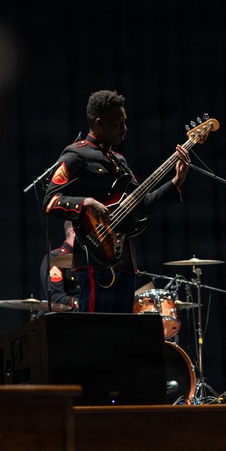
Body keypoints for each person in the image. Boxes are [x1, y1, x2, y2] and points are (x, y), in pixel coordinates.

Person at [43, 89, 190, 313]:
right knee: (95, 330)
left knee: (121, 332)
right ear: (99, 123)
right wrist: (86, 203)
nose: (124, 128)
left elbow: (142, 204)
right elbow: (50, 201)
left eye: (125, 122)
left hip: (124, 260)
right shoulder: (76, 155)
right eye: (118, 122)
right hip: (93, 258)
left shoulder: (119, 161)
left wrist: (176, 182)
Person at [40, 220, 79, 311]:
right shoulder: (55, 258)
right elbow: (56, 298)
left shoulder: (85, 258)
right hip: (64, 318)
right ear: (73, 232)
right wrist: (83, 302)